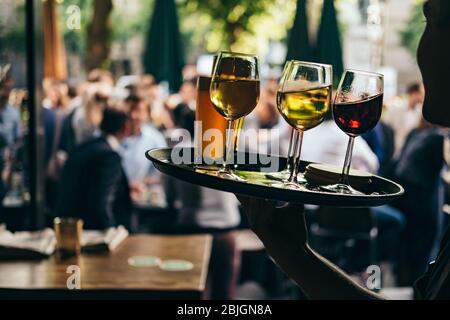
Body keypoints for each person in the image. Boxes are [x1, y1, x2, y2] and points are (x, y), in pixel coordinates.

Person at [237, 0, 450, 299]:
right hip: (338, 218)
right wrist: (295, 255)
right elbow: (371, 165)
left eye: (432, 19)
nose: (420, 53)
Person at [57, 107, 132, 230]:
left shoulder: (83, 147)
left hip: (71, 227)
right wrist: (111, 233)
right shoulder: (109, 156)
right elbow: (101, 203)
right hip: (93, 232)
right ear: (125, 128)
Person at [121, 95, 167, 203]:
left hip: (142, 201)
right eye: (130, 110)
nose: (133, 116)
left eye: (139, 111)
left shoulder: (155, 139)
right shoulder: (115, 136)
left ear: (146, 114)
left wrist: (143, 183)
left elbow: (162, 173)